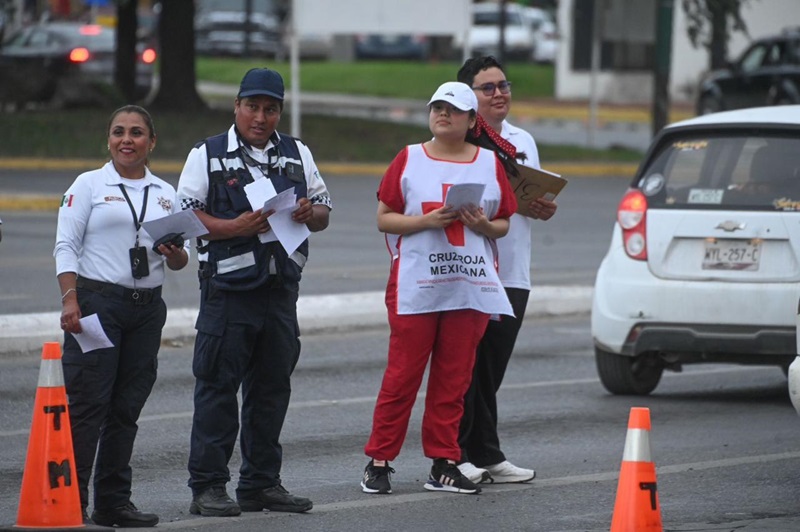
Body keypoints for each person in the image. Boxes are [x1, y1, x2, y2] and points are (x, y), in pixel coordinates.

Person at [177, 67, 331, 517]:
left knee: (271, 391)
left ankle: (261, 484)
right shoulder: (207, 154)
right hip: (228, 291)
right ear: (237, 106)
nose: (260, 117)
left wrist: (309, 212)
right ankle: (208, 487)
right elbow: (186, 217)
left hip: (280, 290)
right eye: (252, 107)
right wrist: (235, 227)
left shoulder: (297, 152)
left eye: (270, 109)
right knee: (217, 389)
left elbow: (324, 209)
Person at [361, 81, 518, 496]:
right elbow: (384, 217)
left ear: (471, 120)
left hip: (469, 286)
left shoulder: (488, 162)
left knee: (454, 377)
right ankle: (379, 461)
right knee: (402, 375)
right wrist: (425, 222)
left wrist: (482, 225)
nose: (443, 114)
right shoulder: (410, 158)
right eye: (437, 107)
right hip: (417, 283)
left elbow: (503, 222)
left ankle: (444, 463)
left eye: (453, 109)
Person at [54, 105, 189, 527]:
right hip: (98, 305)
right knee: (88, 405)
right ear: (109, 139)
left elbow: (182, 259)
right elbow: (65, 245)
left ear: (152, 142)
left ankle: (113, 502)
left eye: (136, 132)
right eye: (118, 132)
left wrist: (175, 252)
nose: (126, 140)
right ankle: (70, 502)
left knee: (126, 408)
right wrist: (70, 299)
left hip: (146, 310)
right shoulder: (89, 185)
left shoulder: (165, 193)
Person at [455, 56, 558, 484]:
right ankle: (457, 454)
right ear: (469, 97)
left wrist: (541, 207)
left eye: (503, 85)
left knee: (491, 368)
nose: (499, 93)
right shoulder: (459, 139)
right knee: (465, 368)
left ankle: (486, 453)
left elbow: (528, 204)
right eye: (488, 88)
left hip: (513, 271)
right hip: (468, 270)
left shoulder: (521, 141)